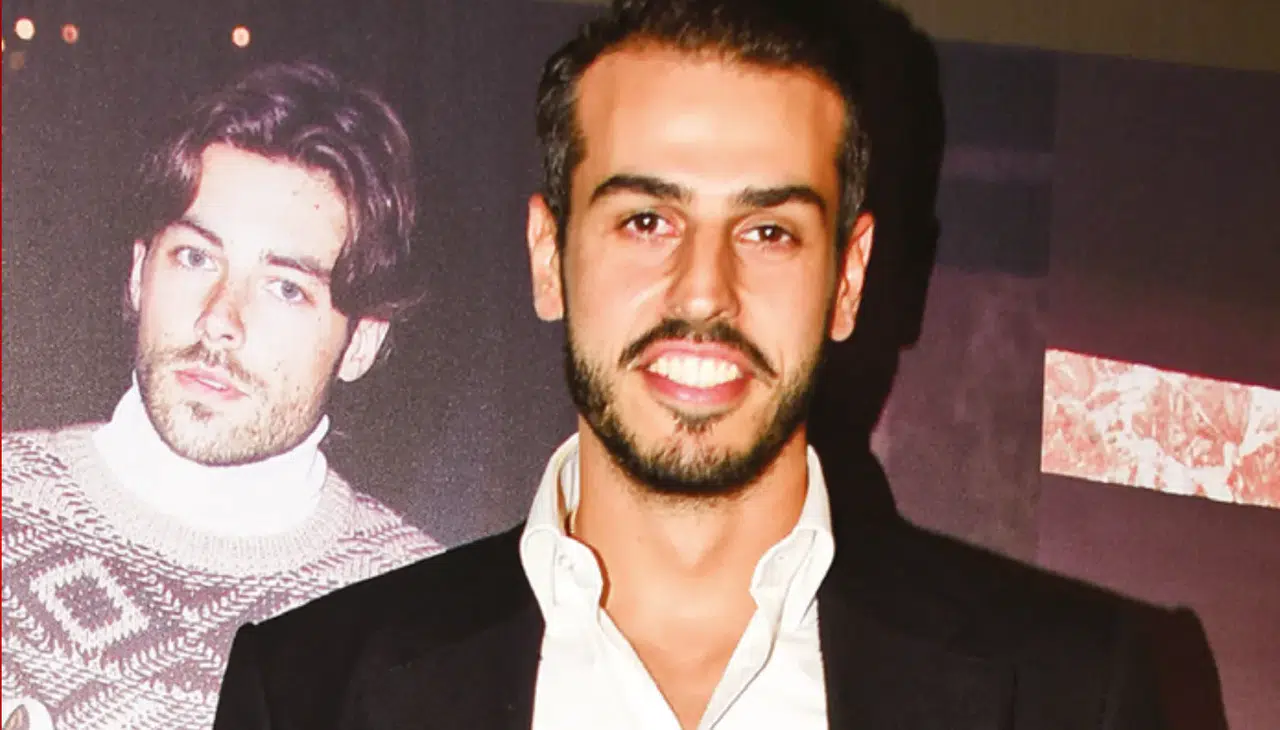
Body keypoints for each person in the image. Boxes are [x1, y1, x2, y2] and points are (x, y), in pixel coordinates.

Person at [212, 2, 1167, 729]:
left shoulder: (1078, 691)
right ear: (549, 258)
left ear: (848, 279)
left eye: (768, 230)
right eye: (646, 221)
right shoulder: (308, 695)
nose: (705, 292)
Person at [1, 61, 442, 730]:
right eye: (196, 258)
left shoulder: (423, 621)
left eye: (286, 288)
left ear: (361, 342)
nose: (220, 320)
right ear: (138, 273)